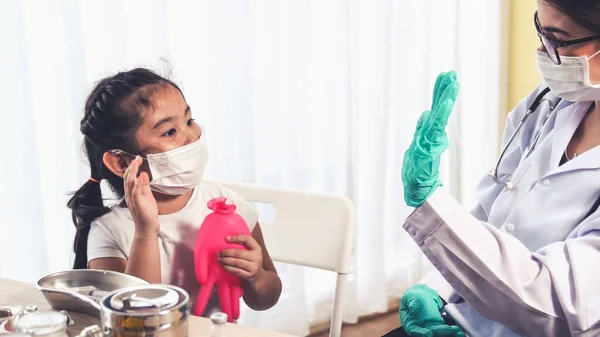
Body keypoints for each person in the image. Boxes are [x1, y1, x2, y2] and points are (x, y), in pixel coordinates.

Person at [393, 1, 600, 336]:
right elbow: (492, 216)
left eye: (556, 39)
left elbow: (557, 302)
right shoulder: (546, 105)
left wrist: (431, 201)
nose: (542, 52)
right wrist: (437, 286)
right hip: (464, 319)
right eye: (540, 31)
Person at [67, 68, 282, 316]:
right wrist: (146, 233)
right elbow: (136, 318)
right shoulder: (109, 231)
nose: (192, 136)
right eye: (170, 131)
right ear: (124, 163)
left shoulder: (229, 206)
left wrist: (255, 276)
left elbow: (266, 299)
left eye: (189, 121)